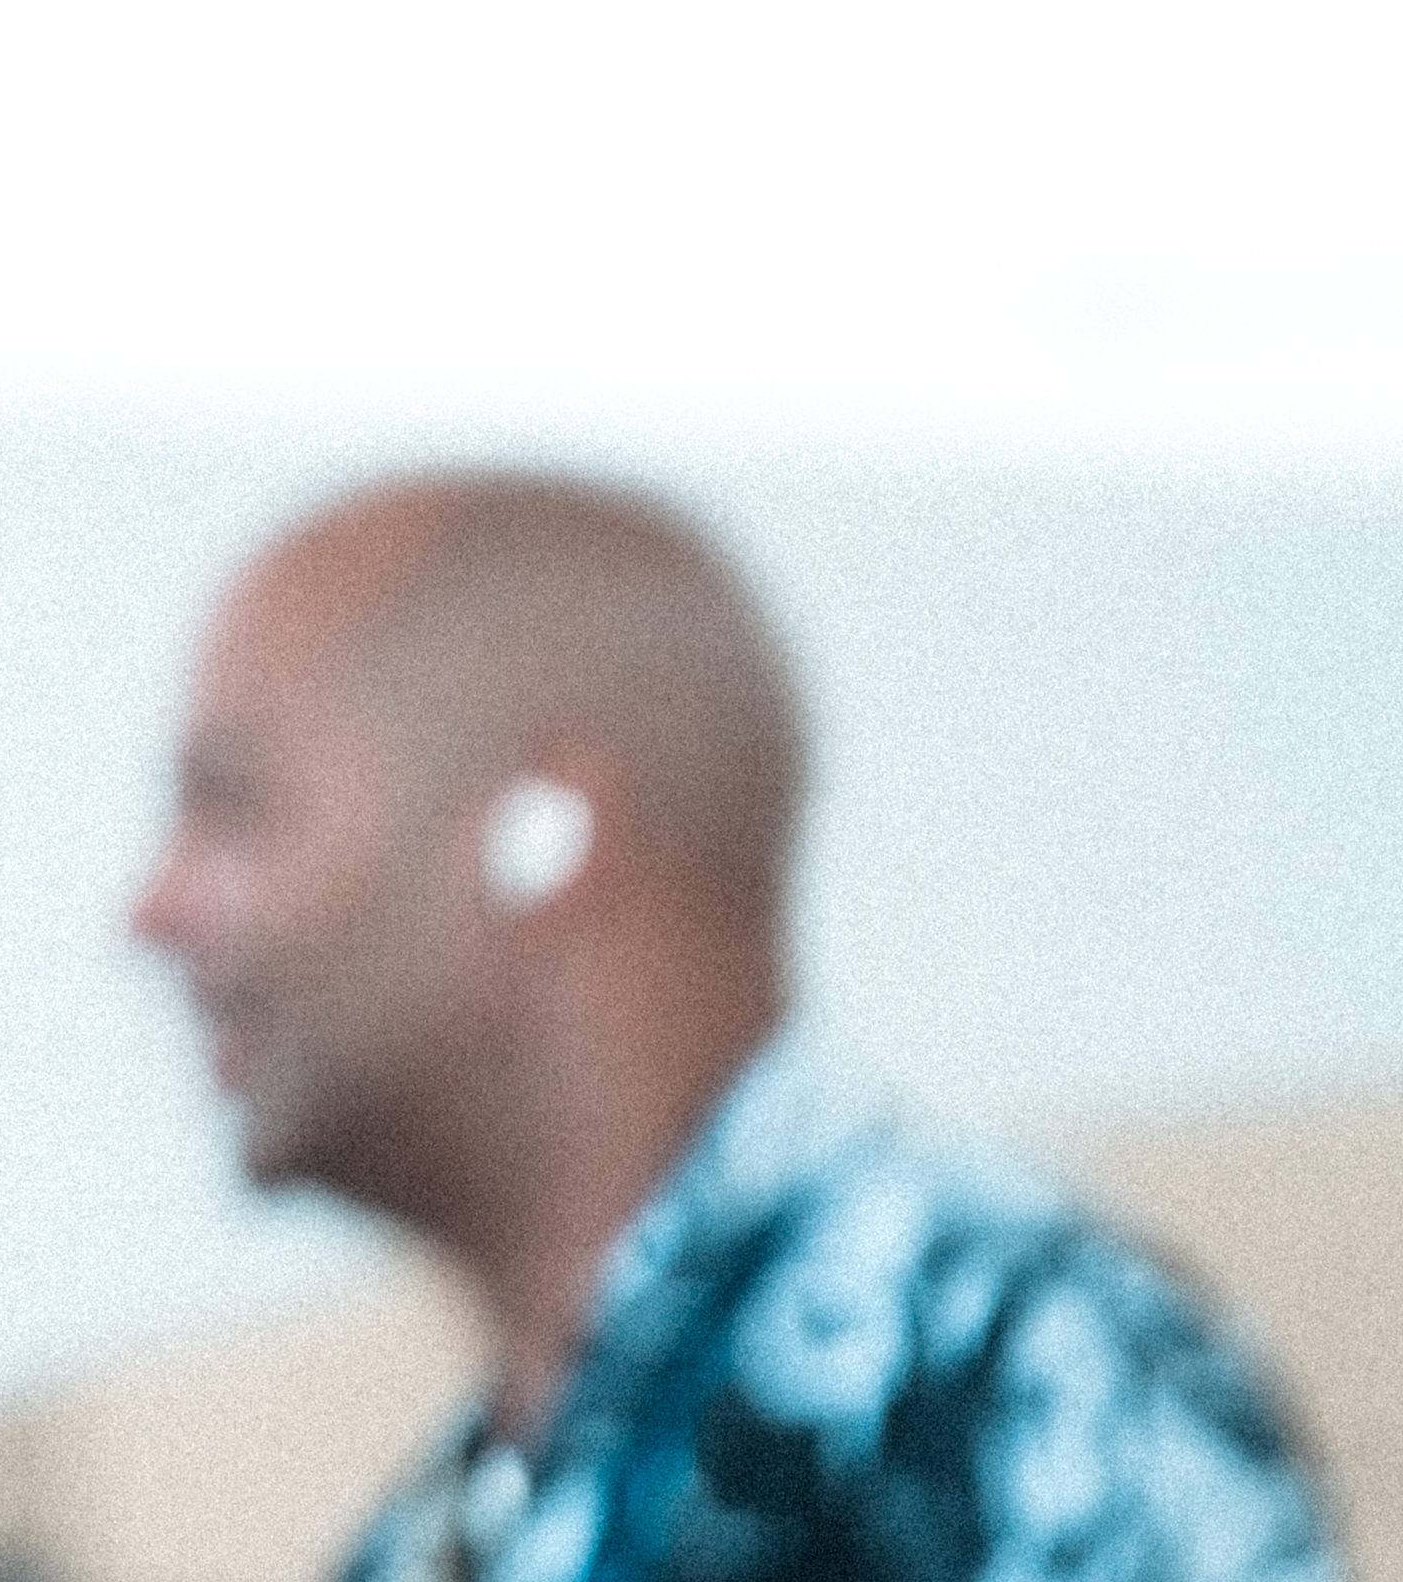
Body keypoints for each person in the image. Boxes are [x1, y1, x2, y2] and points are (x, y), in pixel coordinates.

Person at [134, 473, 1346, 1582]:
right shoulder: (441, 1530)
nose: (154, 910)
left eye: (233, 805)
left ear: (539, 833)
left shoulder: (1007, 1368)